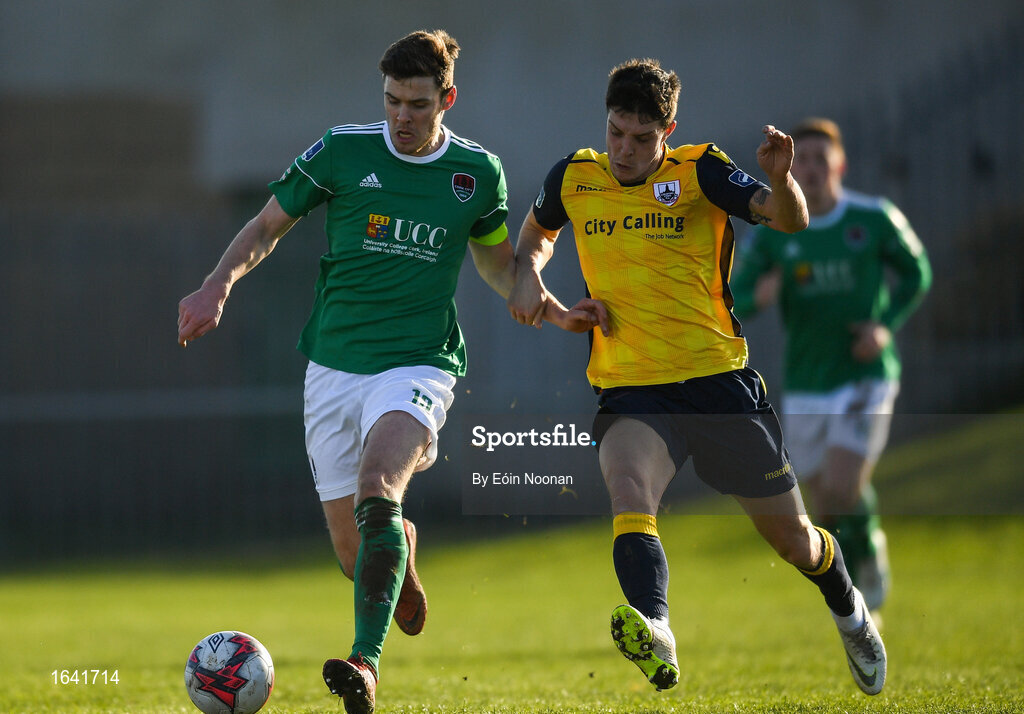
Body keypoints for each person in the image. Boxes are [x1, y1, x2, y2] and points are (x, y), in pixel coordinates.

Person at [176, 29, 586, 714]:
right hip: (333, 369)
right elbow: (267, 226)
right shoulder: (342, 150)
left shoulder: (476, 173)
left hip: (419, 363)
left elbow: (496, 267)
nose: (402, 116)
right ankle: (403, 548)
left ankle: (364, 664)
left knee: (378, 486)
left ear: (447, 99)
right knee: (355, 555)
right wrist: (218, 284)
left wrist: (546, 305)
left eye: (418, 104)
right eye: (393, 100)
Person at [508, 59, 887, 696]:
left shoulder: (701, 169)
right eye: (616, 132)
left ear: (669, 131)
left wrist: (781, 179)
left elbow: (788, 218)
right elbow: (537, 234)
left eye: (641, 138)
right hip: (630, 385)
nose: (625, 150)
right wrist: (528, 274)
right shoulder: (574, 175)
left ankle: (849, 611)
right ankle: (655, 627)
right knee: (629, 491)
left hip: (717, 384)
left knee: (795, 541)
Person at [731, 117, 932, 617]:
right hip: (807, 382)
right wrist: (760, 293)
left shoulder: (874, 217)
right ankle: (865, 550)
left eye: (823, 158)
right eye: (804, 159)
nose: (813, 168)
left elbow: (916, 272)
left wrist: (883, 326)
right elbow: (735, 297)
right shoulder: (775, 231)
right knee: (827, 507)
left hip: (865, 375)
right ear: (791, 168)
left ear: (840, 165)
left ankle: (864, 582)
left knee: (842, 487)